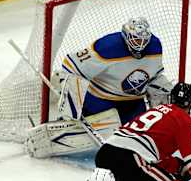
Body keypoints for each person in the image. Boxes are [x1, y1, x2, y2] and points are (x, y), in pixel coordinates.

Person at [25, 17, 174, 158]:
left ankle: (163, 125)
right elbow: (71, 64)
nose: (140, 44)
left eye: (143, 40)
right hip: (101, 99)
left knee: (141, 132)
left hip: (133, 101)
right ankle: (57, 133)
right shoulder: (107, 47)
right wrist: (73, 106)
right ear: (126, 35)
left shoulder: (155, 46)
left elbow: (154, 75)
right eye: (136, 38)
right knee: (111, 129)